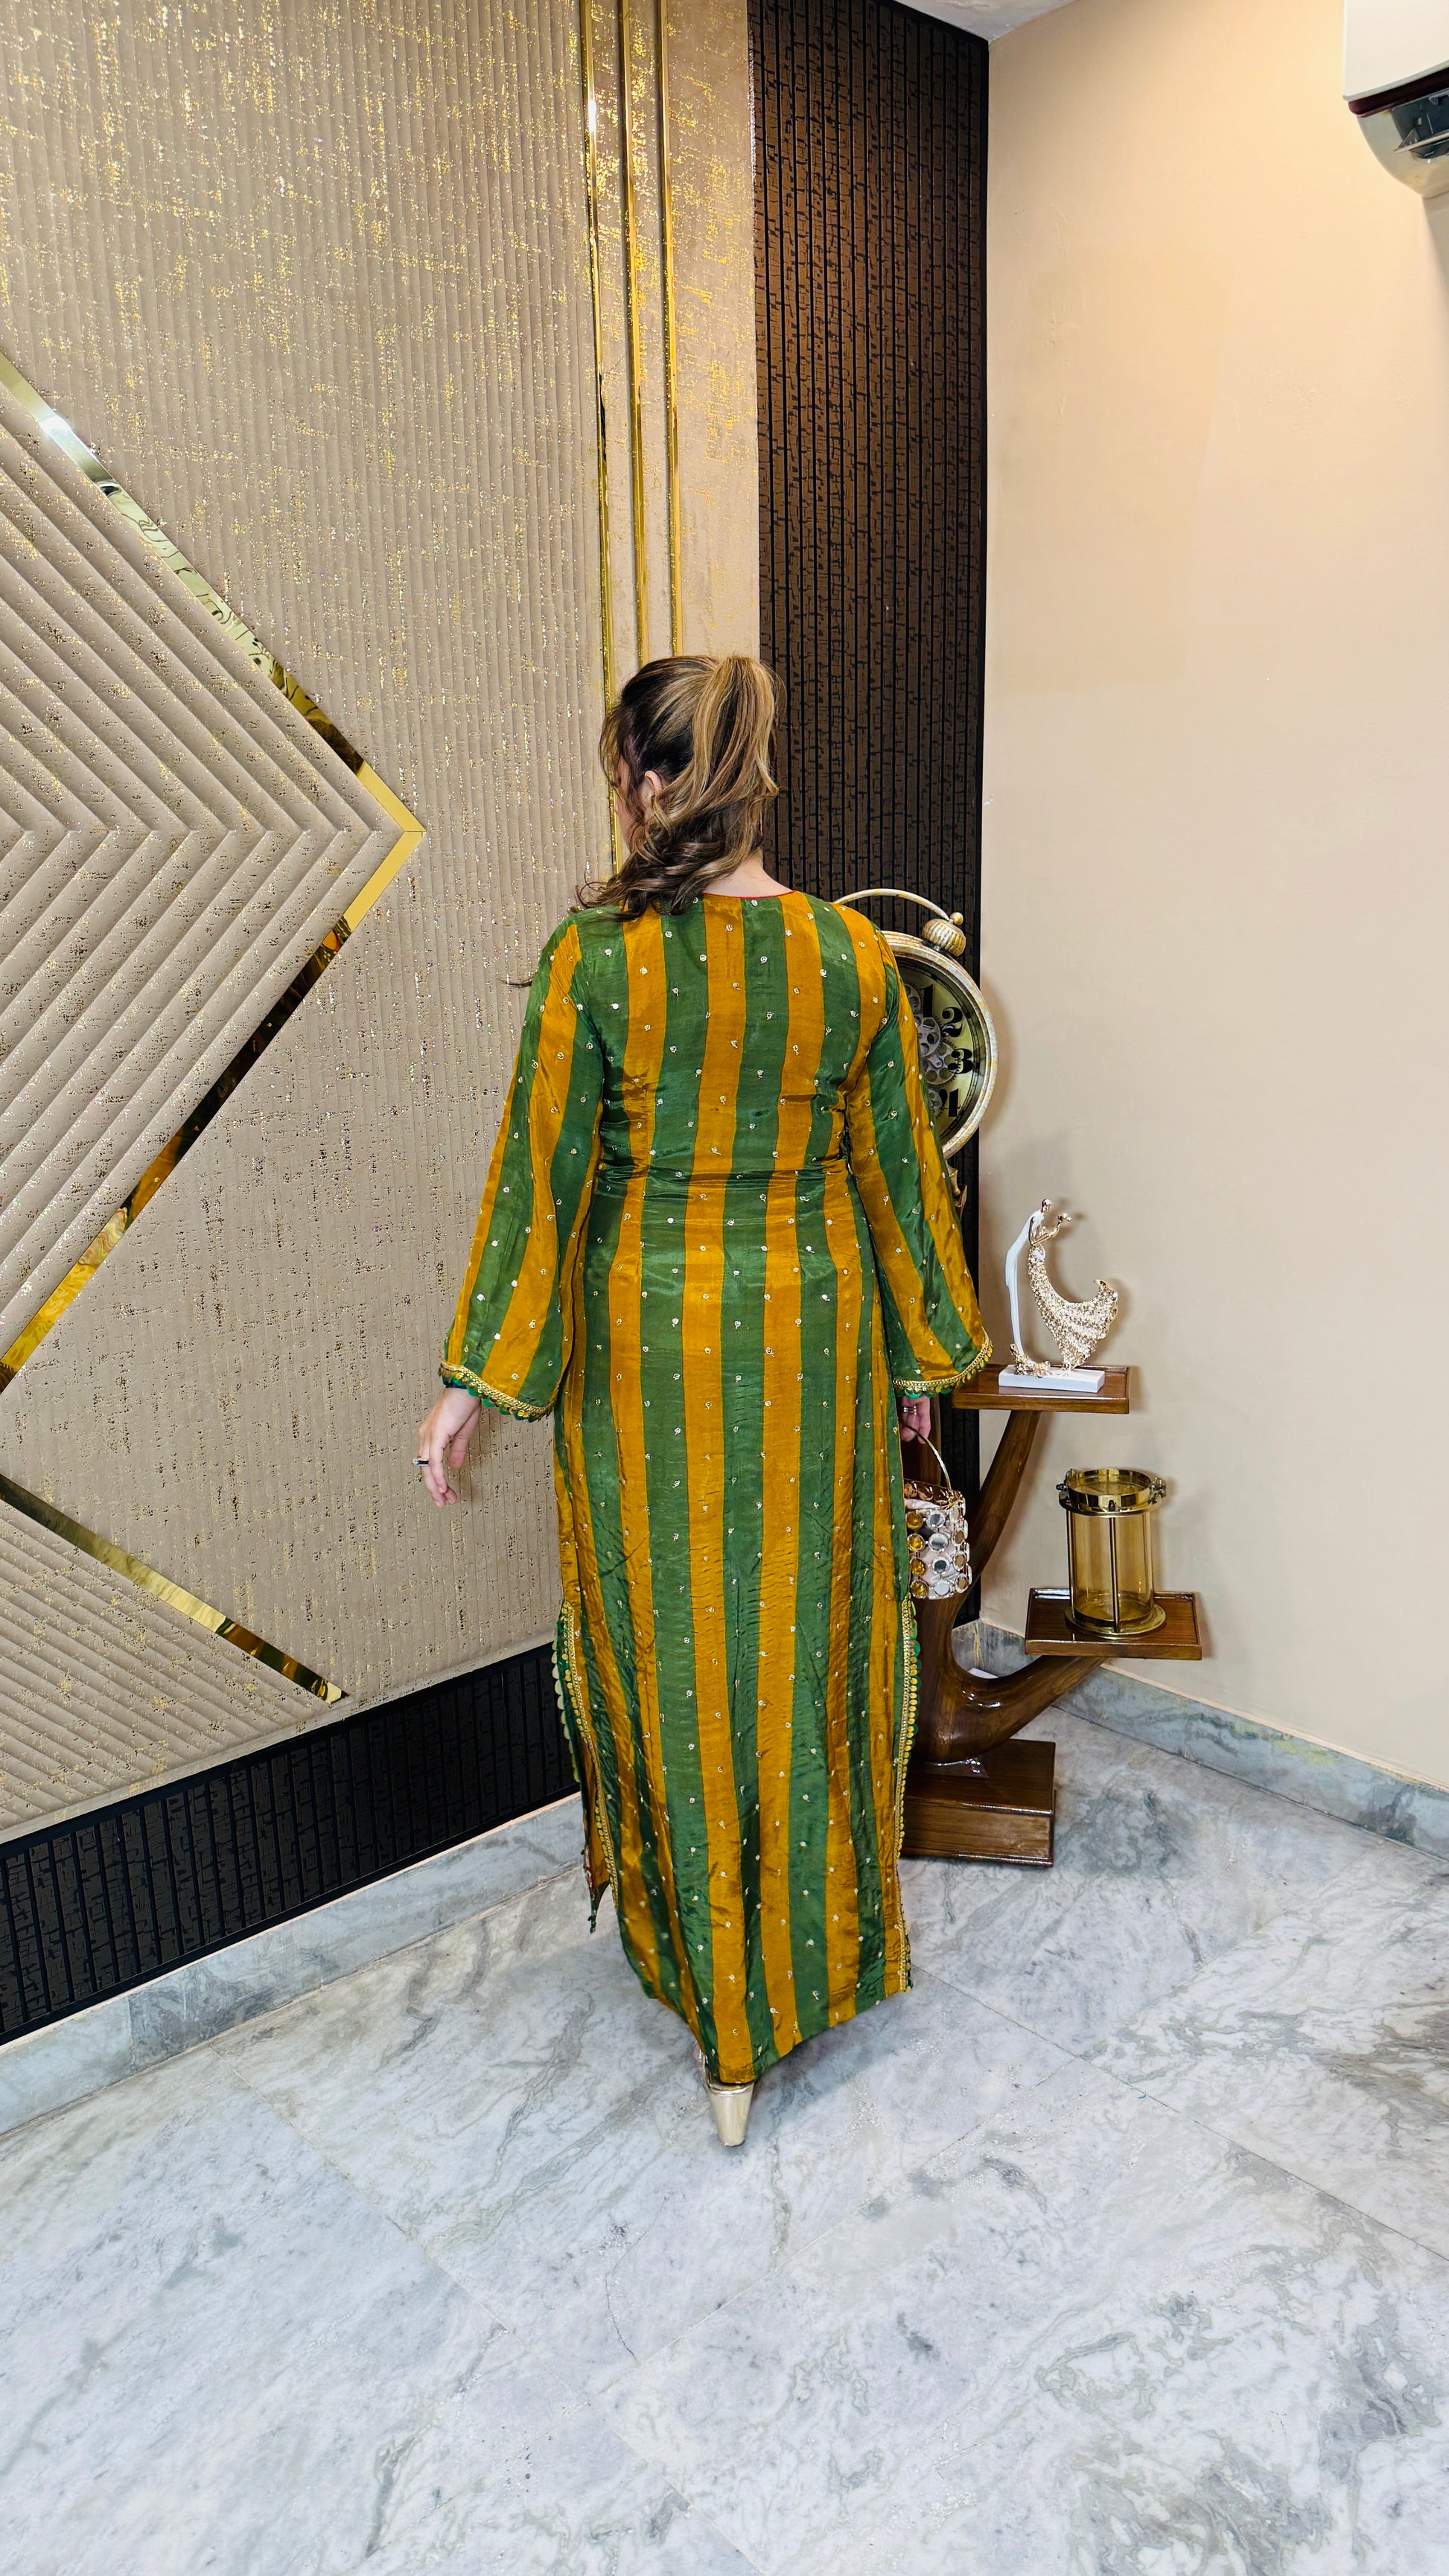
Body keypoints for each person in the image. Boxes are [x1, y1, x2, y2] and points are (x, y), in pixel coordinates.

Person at [415, 654, 990, 2146]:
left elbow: (541, 1176)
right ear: (754, 774)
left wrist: (475, 1382)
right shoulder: (851, 957)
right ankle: (805, 1964)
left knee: (673, 1649)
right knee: (806, 1642)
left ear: (647, 779)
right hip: (814, 1336)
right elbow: (899, 1175)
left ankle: (708, 1980)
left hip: (647, 1348)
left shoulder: (596, 958)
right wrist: (920, 1364)